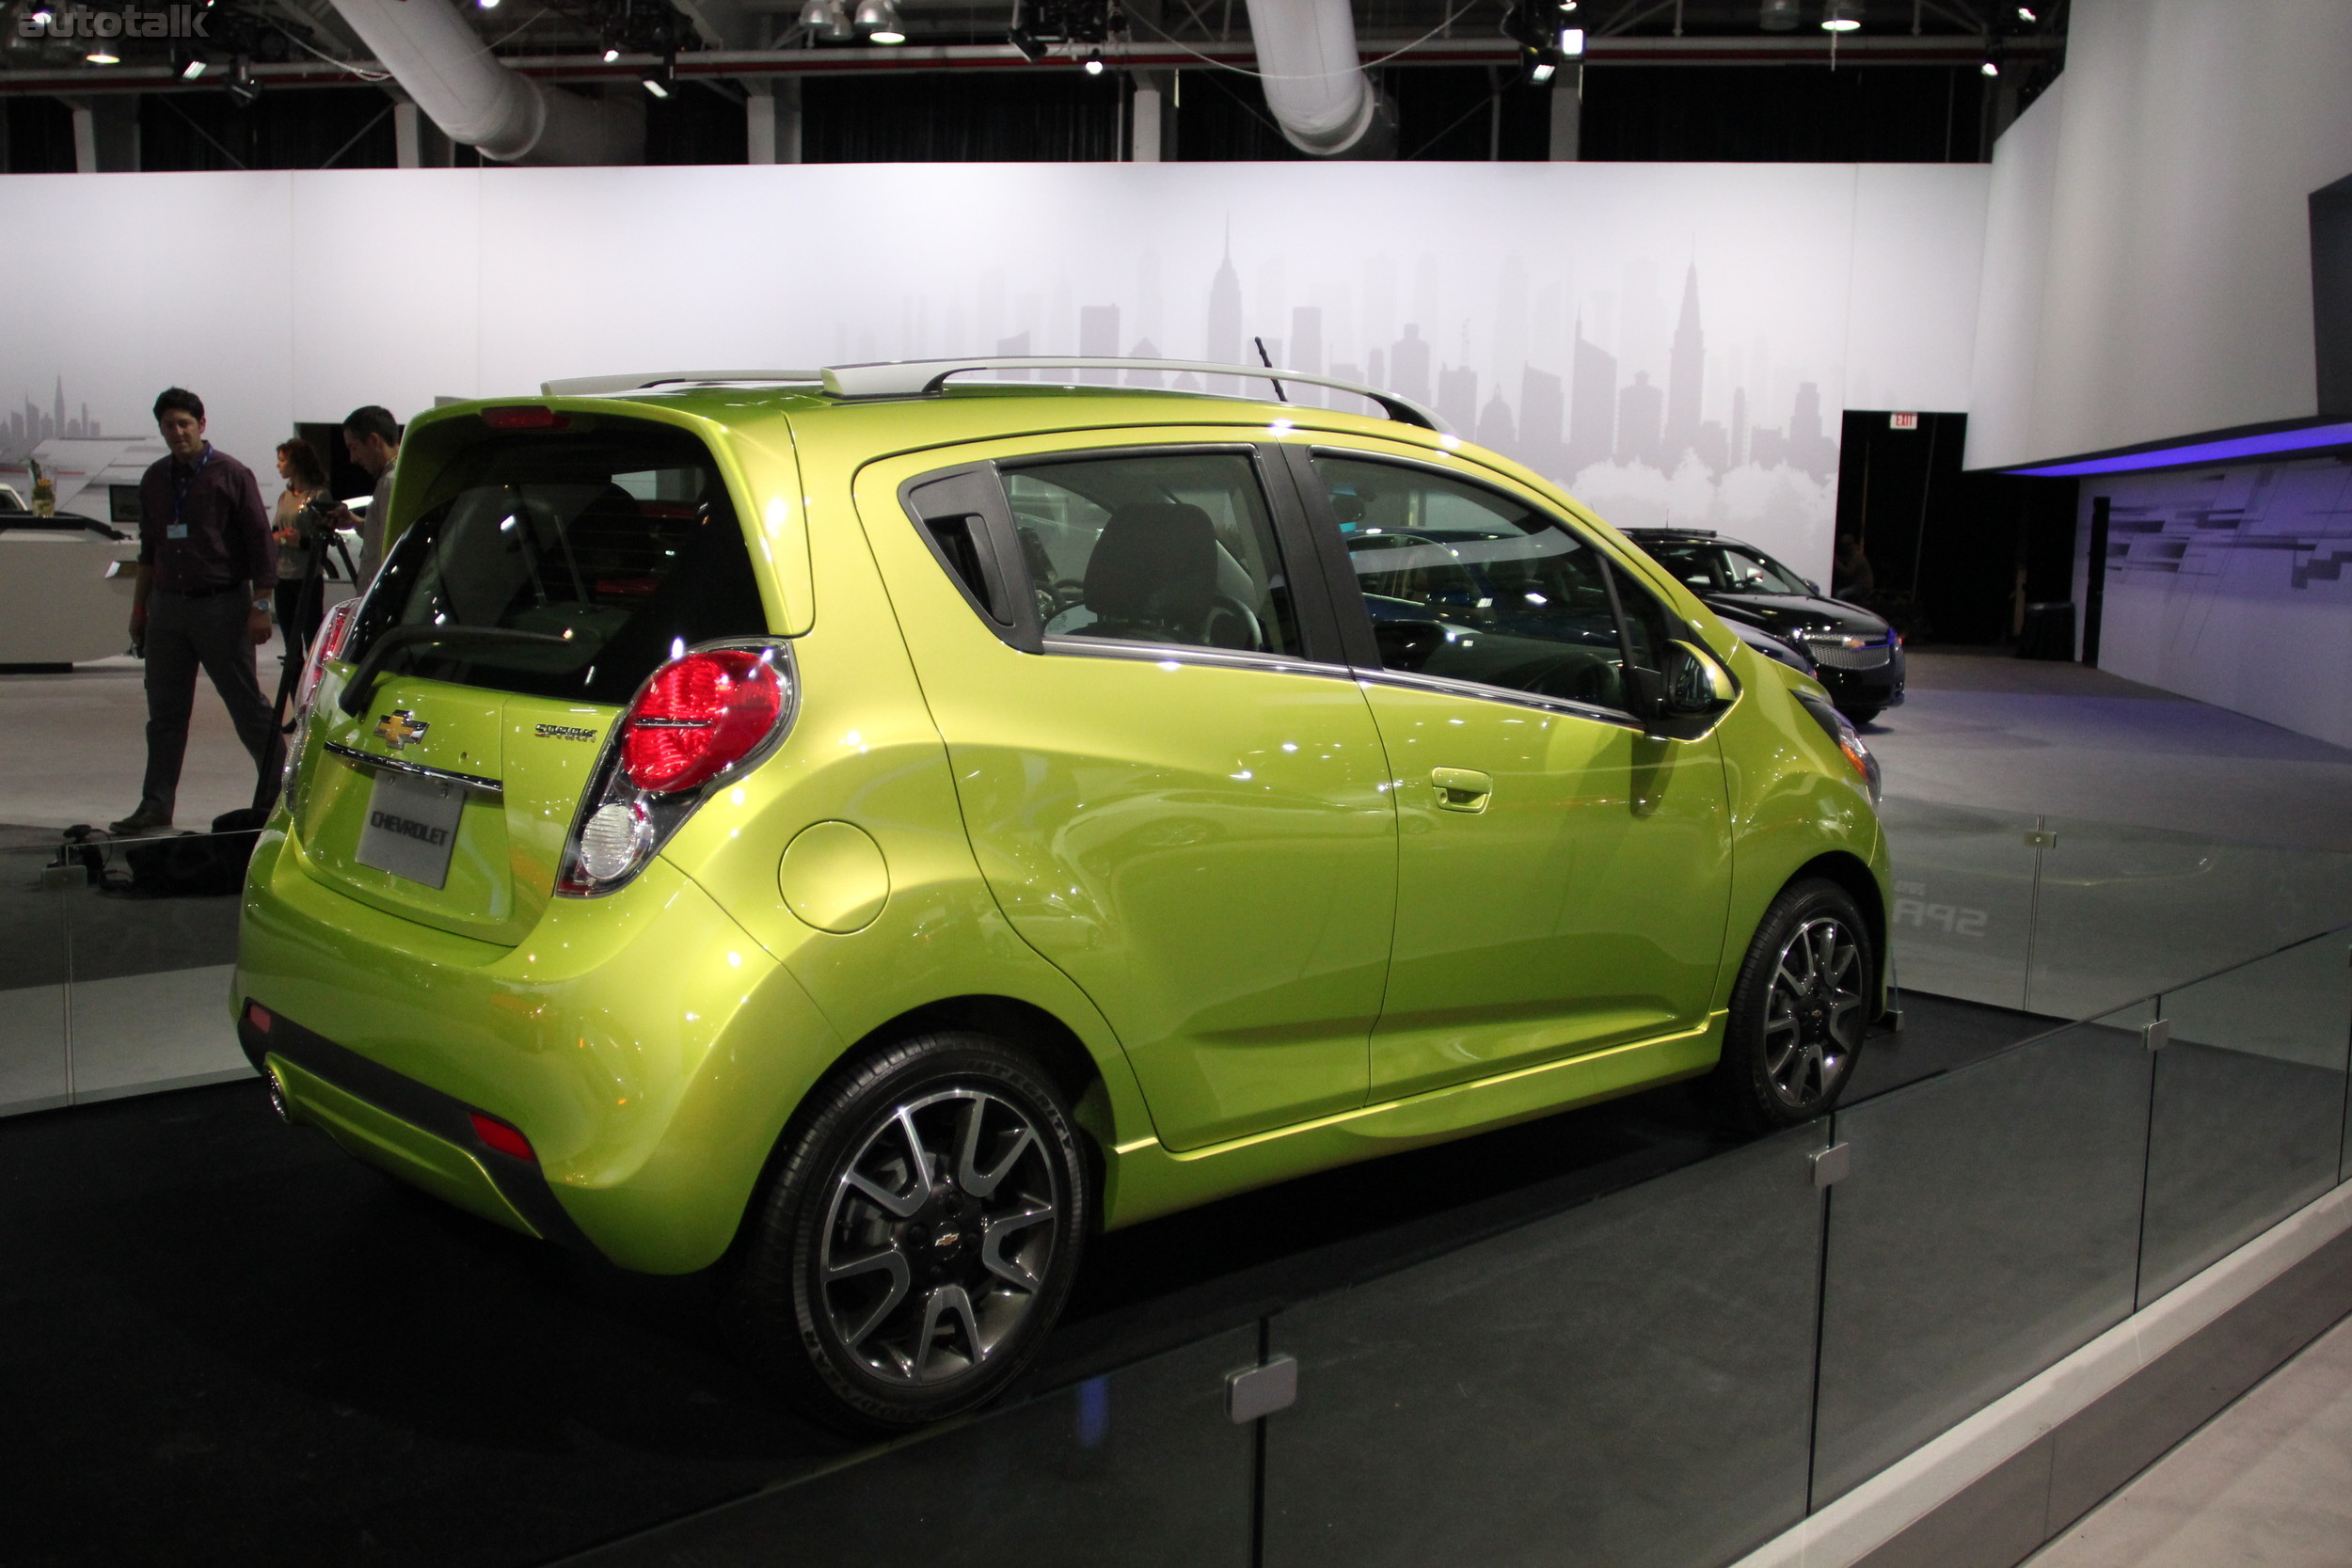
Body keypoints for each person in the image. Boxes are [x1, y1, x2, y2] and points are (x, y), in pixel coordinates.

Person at [110, 388, 286, 836]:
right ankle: (155, 806)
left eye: (185, 423)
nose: (178, 432)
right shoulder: (154, 480)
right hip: (168, 609)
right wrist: (139, 610)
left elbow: (260, 546)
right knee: (165, 715)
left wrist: (261, 606)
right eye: (169, 425)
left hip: (222, 607)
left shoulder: (231, 475)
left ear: (202, 425)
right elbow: (148, 552)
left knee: (247, 706)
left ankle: (282, 794)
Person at [269, 436, 329, 666]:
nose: (278, 465)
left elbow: (323, 539)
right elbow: (274, 532)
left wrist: (300, 541)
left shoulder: (318, 496)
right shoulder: (285, 497)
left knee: (311, 639)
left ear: (296, 463)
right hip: (283, 575)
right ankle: (294, 693)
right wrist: (282, 539)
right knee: (290, 645)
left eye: (283, 460)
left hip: (307, 576)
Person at [339, 404, 401, 583]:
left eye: (354, 447)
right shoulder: (395, 478)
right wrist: (354, 521)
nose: (353, 458)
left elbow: (387, 553)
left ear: (374, 440)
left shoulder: (390, 482)